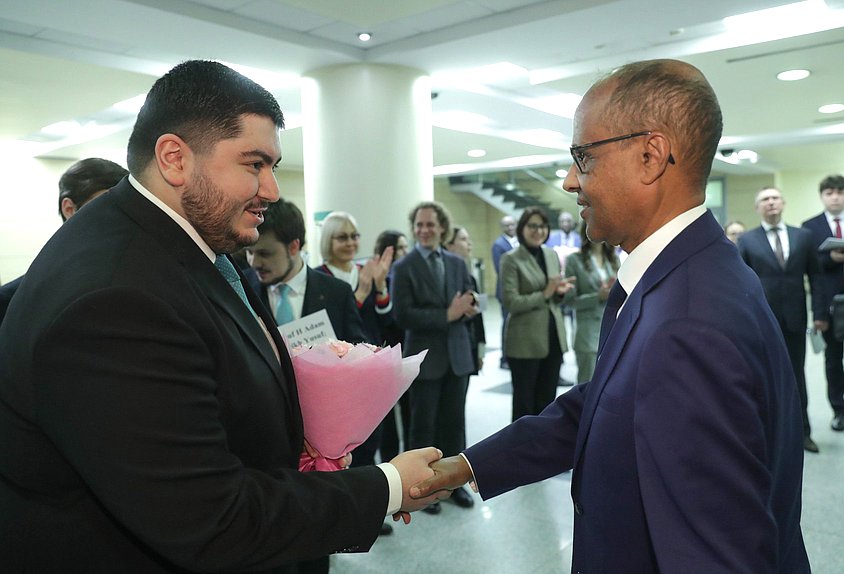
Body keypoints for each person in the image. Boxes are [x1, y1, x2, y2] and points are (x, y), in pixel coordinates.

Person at [0, 60, 446, 573]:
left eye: (273, 166)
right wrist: (386, 486)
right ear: (174, 158)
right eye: (253, 164)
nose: (272, 190)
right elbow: (207, 518)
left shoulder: (184, 243)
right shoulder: (116, 299)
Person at [412, 59, 810, 573]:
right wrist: (464, 466)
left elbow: (716, 553)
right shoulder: (689, 273)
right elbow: (604, 403)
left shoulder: (687, 321)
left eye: (583, 156)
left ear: (650, 155)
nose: (569, 180)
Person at [392, 201, 478, 514]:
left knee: (454, 424)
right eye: (419, 225)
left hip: (457, 356)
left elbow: (467, 296)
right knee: (422, 427)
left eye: (430, 224)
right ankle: (420, 489)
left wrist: (470, 308)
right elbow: (403, 315)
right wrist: (447, 314)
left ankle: (453, 486)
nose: (424, 230)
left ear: (442, 227)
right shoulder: (403, 267)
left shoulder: (457, 263)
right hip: (425, 359)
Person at [738, 186, 821, 453]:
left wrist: (819, 314)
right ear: (757, 207)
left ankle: (803, 433)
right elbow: (739, 284)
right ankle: (769, 434)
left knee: (798, 377)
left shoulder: (803, 237)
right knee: (763, 377)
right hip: (761, 321)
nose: (770, 203)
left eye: (774, 198)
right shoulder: (747, 241)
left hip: (796, 319)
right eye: (764, 199)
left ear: (783, 203)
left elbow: (816, 279)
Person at [0, 157, 127, 324]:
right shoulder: (13, 299)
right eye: (104, 207)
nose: (116, 218)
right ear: (69, 209)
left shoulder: (139, 280)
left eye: (122, 208)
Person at [247, 199, 367, 344]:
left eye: (265, 254)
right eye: (249, 252)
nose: (254, 263)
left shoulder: (338, 293)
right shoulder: (242, 288)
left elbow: (358, 351)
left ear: (293, 247)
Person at [500, 207, 574, 421]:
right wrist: (546, 293)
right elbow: (511, 302)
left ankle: (543, 452)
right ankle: (520, 453)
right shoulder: (511, 259)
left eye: (542, 226)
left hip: (553, 338)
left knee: (547, 403)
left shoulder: (551, 254)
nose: (538, 231)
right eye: (532, 226)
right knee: (525, 406)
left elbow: (552, 294)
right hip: (524, 343)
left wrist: (558, 293)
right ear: (522, 228)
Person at [802, 174, 844, 432]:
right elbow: (812, 272)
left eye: (840, 192)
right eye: (830, 193)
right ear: (822, 196)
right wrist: (832, 259)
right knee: (833, 360)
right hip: (830, 307)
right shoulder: (809, 227)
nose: (835, 197)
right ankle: (839, 410)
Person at [315, 211, 394, 347]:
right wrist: (359, 296)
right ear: (328, 240)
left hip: (372, 353)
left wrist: (381, 286)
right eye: (342, 237)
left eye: (354, 236)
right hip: (337, 357)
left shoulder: (367, 271)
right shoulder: (318, 278)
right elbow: (326, 326)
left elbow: (386, 321)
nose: (350, 243)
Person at [564, 223, 620, 383]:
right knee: (587, 387)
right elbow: (570, 301)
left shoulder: (613, 259)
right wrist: (598, 296)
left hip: (612, 332)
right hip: (587, 334)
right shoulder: (574, 260)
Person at [374, 230, 413, 462]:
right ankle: (390, 464)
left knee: (410, 411)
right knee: (387, 416)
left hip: (407, 352)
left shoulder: (408, 276)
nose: (406, 253)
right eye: (401, 248)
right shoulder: (380, 278)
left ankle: (409, 460)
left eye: (407, 247)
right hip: (385, 353)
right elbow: (387, 319)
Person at [444, 226, 486, 375]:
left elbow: (480, 314)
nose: (469, 244)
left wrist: (481, 350)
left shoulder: (472, 278)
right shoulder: (442, 278)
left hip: (469, 345)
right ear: (449, 245)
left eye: (468, 239)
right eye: (463, 239)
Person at [491, 214, 518, 369]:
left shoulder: (520, 242)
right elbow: (500, 270)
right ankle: (504, 358)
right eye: (506, 225)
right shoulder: (498, 245)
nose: (510, 228)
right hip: (505, 291)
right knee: (507, 324)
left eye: (512, 224)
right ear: (502, 227)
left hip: (519, 292)